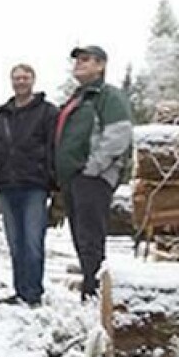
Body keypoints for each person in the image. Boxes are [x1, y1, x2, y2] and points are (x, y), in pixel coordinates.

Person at [54, 46, 133, 302]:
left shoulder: (107, 96)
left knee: (91, 237)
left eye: (86, 60)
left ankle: (96, 294)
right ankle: (91, 289)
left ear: (101, 66)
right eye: (77, 60)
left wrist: (93, 167)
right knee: (80, 236)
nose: (79, 63)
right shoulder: (79, 98)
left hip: (93, 178)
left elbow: (119, 134)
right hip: (74, 179)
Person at [0, 64, 57, 307]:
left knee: (33, 241)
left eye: (25, 78)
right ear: (12, 82)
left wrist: (55, 184)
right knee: (15, 243)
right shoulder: (2, 116)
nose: (21, 82)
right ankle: (20, 290)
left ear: (33, 80)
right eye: (17, 78)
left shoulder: (47, 112)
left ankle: (33, 293)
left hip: (35, 186)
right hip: (7, 187)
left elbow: (55, 148)